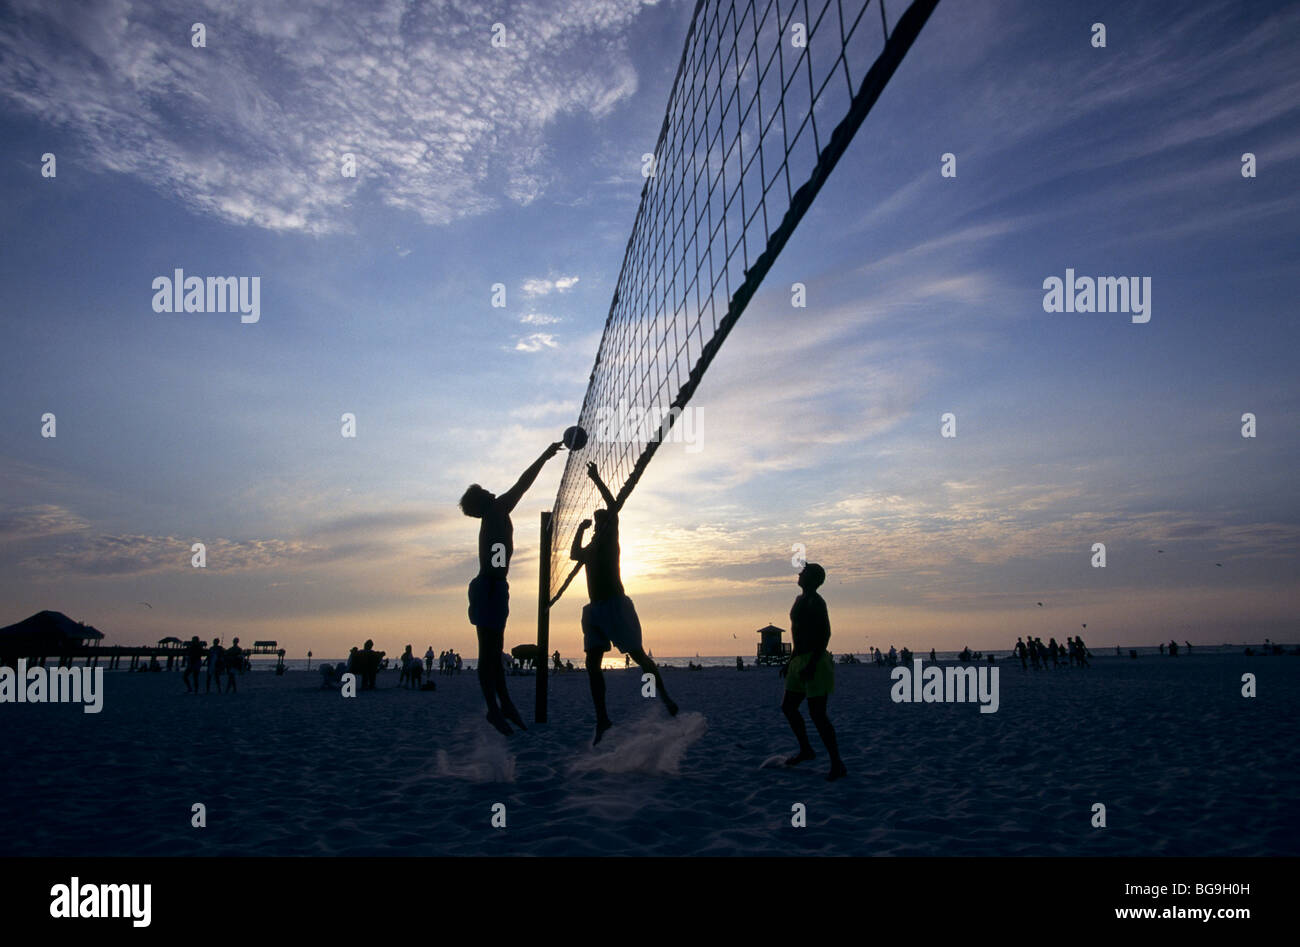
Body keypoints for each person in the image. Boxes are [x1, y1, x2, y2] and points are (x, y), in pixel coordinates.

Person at [460, 440, 564, 735]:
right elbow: (523, 484)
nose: (490, 491)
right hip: (488, 587)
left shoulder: (496, 513)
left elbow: (519, 486)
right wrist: (544, 455)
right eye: (484, 492)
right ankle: (495, 709)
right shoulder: (496, 510)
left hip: (494, 587)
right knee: (487, 652)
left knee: (495, 651)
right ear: (482, 501)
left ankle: (504, 704)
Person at [571, 461, 677, 745]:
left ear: (608, 523)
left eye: (600, 519)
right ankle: (602, 718)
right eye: (596, 520)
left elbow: (613, 505)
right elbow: (573, 554)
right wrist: (581, 528)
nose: (598, 522)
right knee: (592, 664)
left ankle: (665, 698)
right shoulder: (591, 547)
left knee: (640, 656)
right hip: (594, 610)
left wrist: (596, 478)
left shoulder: (610, 538)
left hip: (616, 605)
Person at [780, 563, 846, 782]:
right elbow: (797, 634)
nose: (799, 574)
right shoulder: (799, 600)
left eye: (804, 572)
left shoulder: (817, 602)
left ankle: (837, 763)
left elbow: (825, 634)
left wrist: (812, 663)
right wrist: (790, 662)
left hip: (815, 661)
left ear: (813, 579)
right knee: (789, 707)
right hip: (799, 660)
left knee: (817, 714)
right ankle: (806, 749)